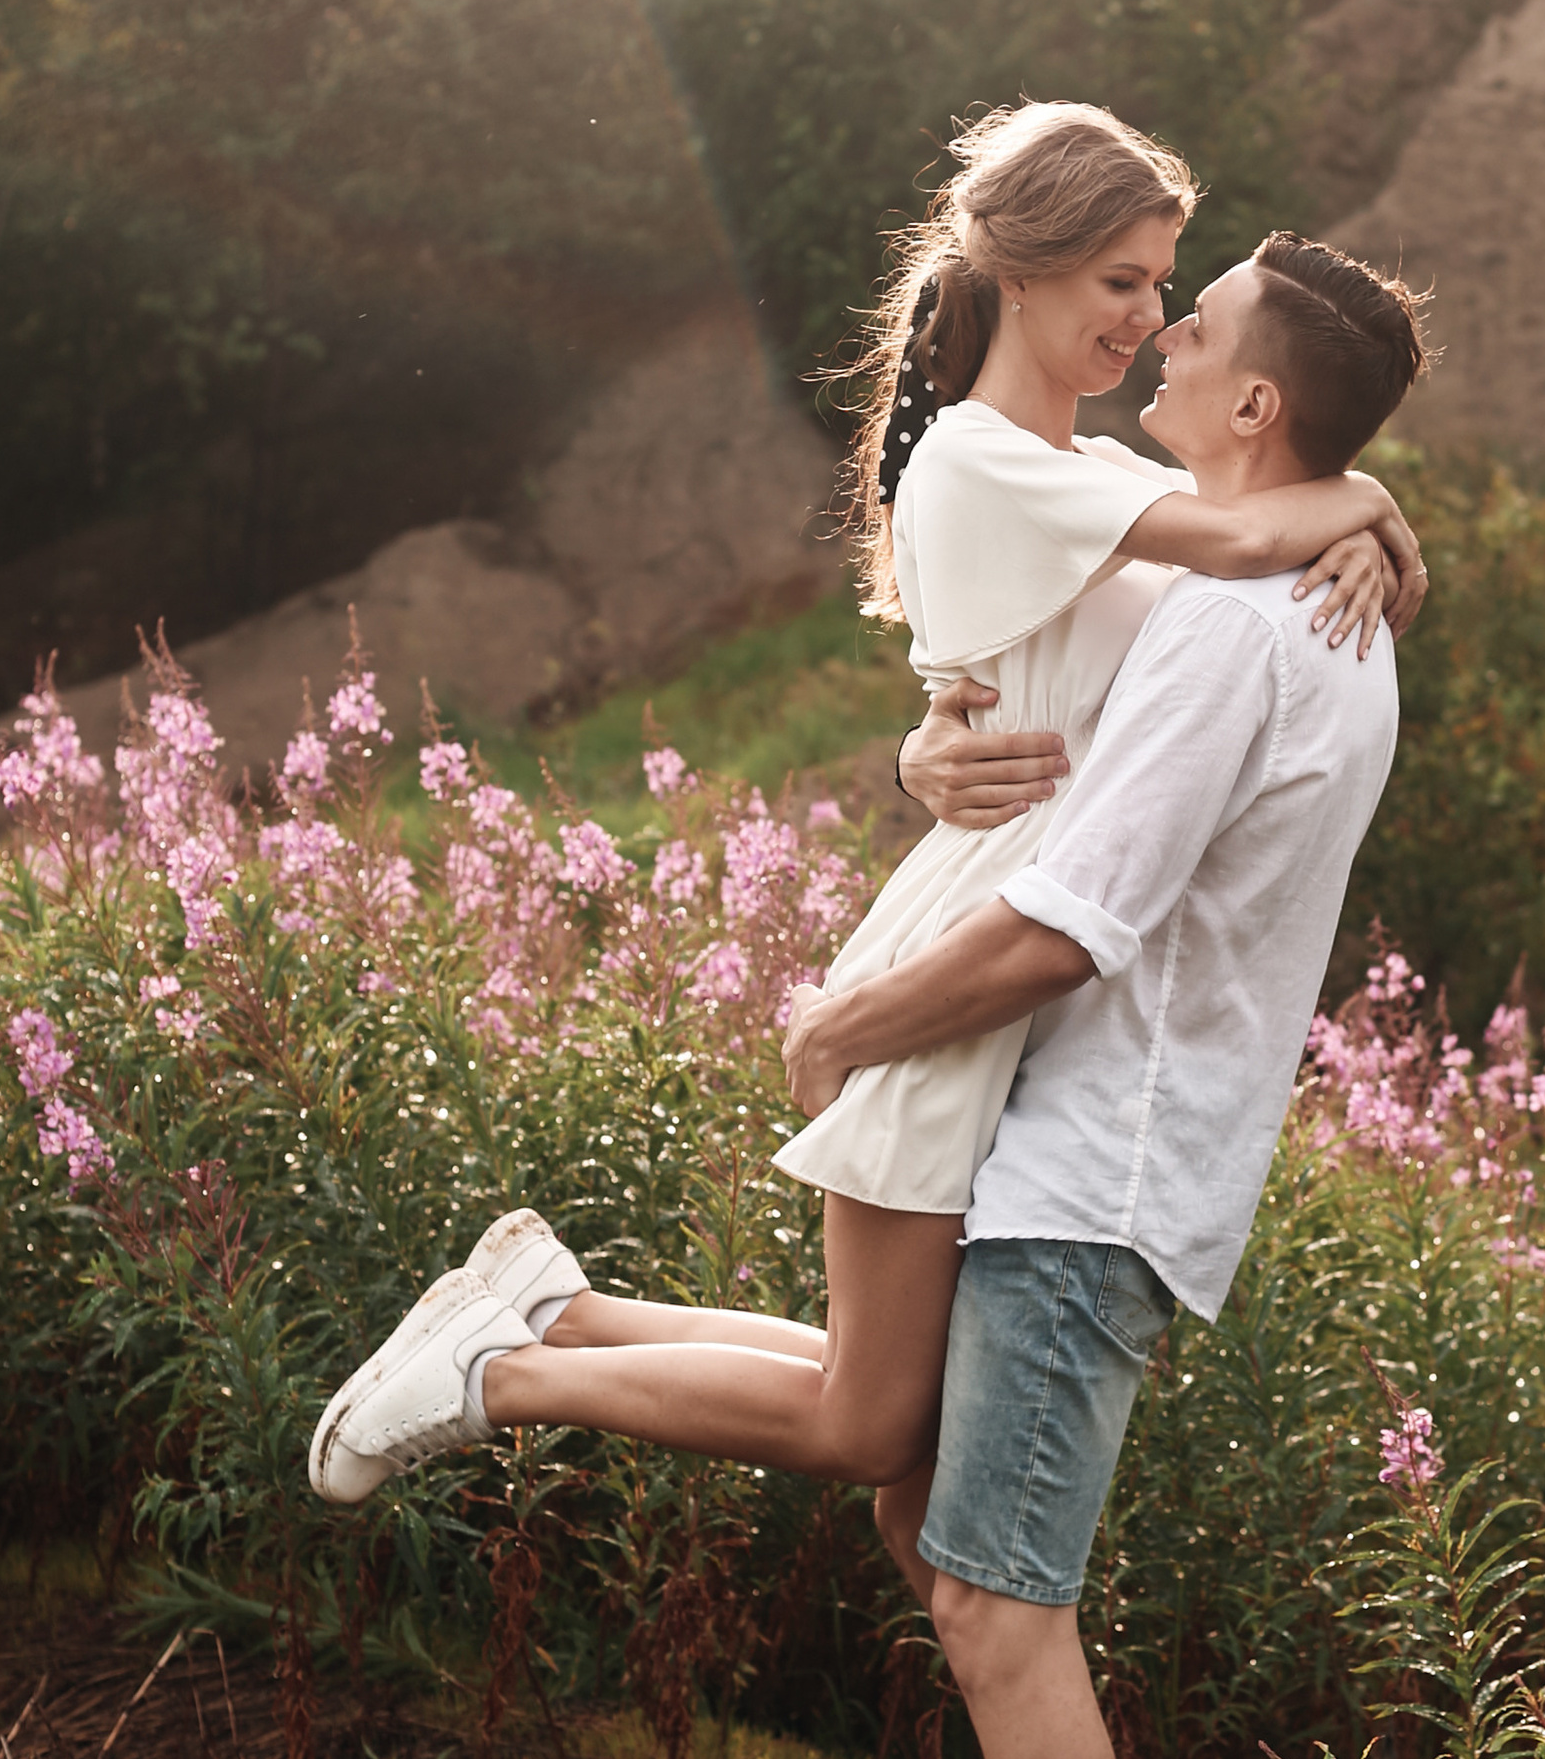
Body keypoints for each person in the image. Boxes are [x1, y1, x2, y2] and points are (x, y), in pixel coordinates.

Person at [308, 101, 1422, 1512]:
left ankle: (547, 1317)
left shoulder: (1092, 472)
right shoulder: (979, 457)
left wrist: (1359, 512)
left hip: (1017, 956)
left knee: (887, 1415)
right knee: (870, 1424)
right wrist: (1367, 496)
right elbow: (1251, 528)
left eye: (1162, 288)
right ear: (1022, 269)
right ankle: (503, 1372)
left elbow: (1248, 520)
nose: (1147, 320)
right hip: (978, 940)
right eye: (1124, 283)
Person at [775, 227, 1425, 1759]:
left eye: (1194, 320)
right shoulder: (1277, 581)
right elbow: (1023, 737)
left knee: (993, 1598)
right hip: (1097, 1160)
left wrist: (839, 1021)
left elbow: (1078, 919)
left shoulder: (1243, 624)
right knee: (936, 1535)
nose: (1159, 332)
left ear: (1251, 407)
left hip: (1095, 1181)